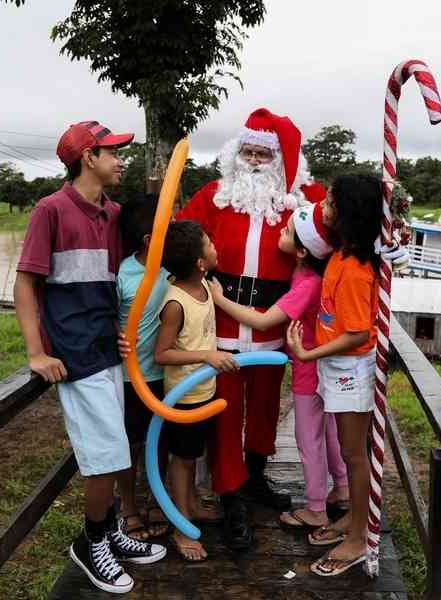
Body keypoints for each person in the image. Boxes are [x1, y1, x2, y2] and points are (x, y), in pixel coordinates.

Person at [14, 120, 165, 595]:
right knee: (104, 457)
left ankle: (110, 530)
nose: (120, 160)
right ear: (88, 158)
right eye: (112, 152)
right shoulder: (50, 210)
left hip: (107, 348)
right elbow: (26, 283)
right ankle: (90, 543)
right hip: (76, 356)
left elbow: (113, 280)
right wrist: (36, 352)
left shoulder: (112, 214)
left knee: (114, 449)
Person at [176, 107, 326, 550]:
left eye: (265, 154)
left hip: (274, 328)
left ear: (281, 160)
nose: (256, 161)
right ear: (235, 153)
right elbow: (177, 239)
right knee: (225, 414)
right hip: (219, 328)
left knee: (264, 410)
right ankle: (231, 496)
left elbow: (342, 223)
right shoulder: (214, 195)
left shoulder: (302, 201)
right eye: (248, 152)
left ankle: (255, 476)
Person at [208, 202, 349, 529]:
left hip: (305, 365)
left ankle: (315, 506)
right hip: (311, 362)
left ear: (302, 251)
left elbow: (264, 320)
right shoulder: (306, 273)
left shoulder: (307, 282)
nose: (280, 231)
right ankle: (341, 489)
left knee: (307, 436)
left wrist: (219, 299)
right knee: (328, 431)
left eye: (286, 231)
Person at [286, 173, 384, 577]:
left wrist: (308, 353)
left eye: (329, 202)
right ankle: (353, 518)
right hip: (337, 365)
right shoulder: (341, 255)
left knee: (354, 454)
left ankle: (360, 536)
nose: (322, 206)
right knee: (349, 451)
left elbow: (358, 333)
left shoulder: (356, 269)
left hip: (350, 368)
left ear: (348, 212)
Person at [153, 220, 237, 562]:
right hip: (184, 397)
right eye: (209, 244)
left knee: (193, 456)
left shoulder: (202, 283)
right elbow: (162, 354)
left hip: (204, 390)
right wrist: (207, 355)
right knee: (184, 461)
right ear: (200, 262)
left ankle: (190, 504)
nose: (216, 247)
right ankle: (181, 526)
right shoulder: (176, 302)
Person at [116, 194, 171, 541]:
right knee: (130, 444)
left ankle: (157, 499)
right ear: (150, 239)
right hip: (131, 378)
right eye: (169, 226)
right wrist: (115, 336)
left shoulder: (175, 268)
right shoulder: (124, 273)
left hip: (168, 376)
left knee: (160, 440)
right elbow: (109, 315)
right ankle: (128, 507)